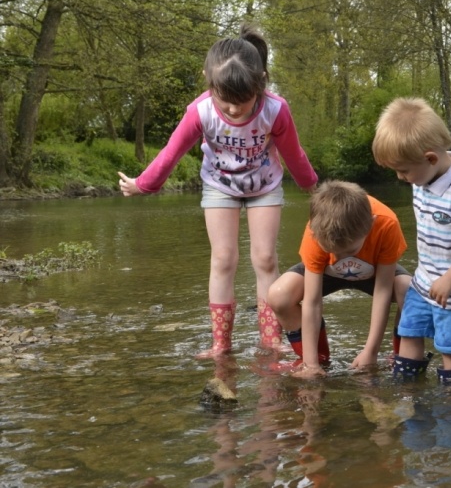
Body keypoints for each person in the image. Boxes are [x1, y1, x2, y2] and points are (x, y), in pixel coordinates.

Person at [117, 23, 318, 358]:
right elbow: (172, 151)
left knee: (265, 258)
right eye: (226, 102)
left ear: (261, 82)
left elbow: (294, 153)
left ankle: (271, 341)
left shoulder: (275, 109)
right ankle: (220, 345)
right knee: (224, 259)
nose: (235, 110)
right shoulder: (201, 111)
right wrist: (144, 184)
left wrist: (312, 186)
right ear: (209, 82)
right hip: (219, 186)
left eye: (243, 101)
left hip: (263, 185)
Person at [371, 97, 451, 386]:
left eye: (403, 171)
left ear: (430, 158)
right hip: (425, 278)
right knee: (410, 330)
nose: (400, 177)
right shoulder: (423, 176)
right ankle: (408, 392)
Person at [267, 180, 410, 376]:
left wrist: (371, 351)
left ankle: (402, 356)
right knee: (279, 295)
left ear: (370, 226)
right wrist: (312, 365)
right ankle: (316, 359)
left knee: (409, 291)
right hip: (327, 272)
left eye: (350, 250)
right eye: (332, 251)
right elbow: (312, 301)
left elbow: (383, 290)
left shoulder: (386, 223)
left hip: (374, 272)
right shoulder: (317, 230)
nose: (343, 257)